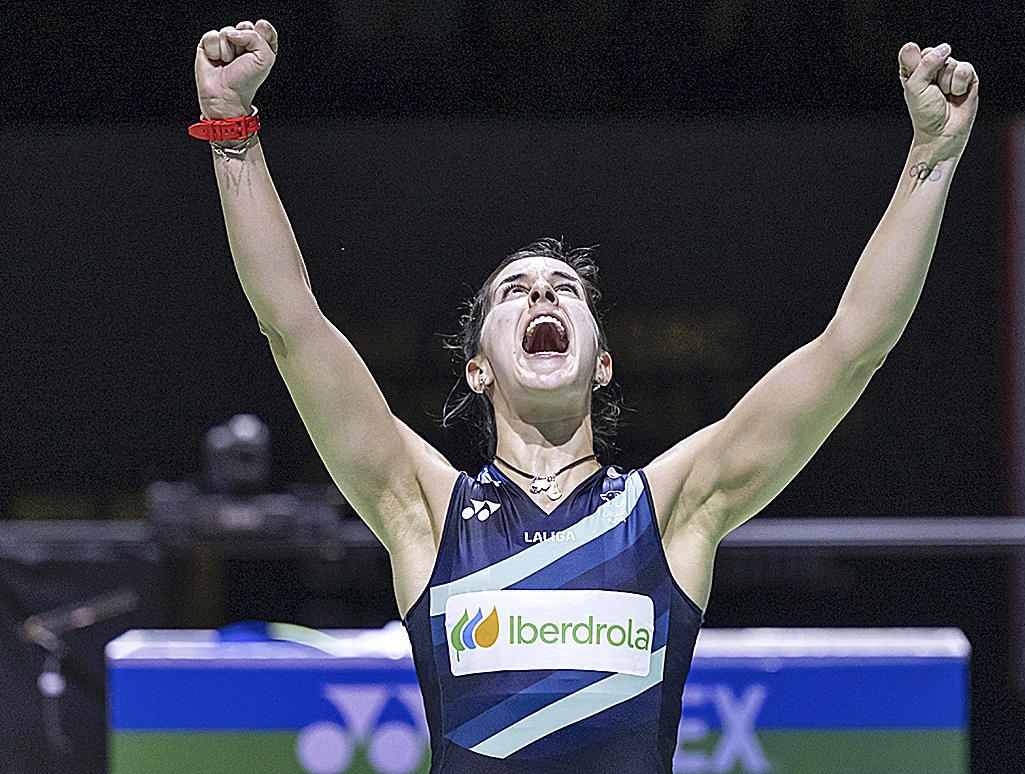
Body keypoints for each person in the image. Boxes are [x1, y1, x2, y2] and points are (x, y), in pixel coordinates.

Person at [194, 20, 978, 773]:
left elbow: (851, 350)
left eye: (566, 288)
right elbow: (292, 324)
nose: (542, 292)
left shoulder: (670, 512)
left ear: (601, 361)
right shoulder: (423, 512)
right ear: (478, 370)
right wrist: (233, 131)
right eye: (515, 292)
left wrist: (932, 160)